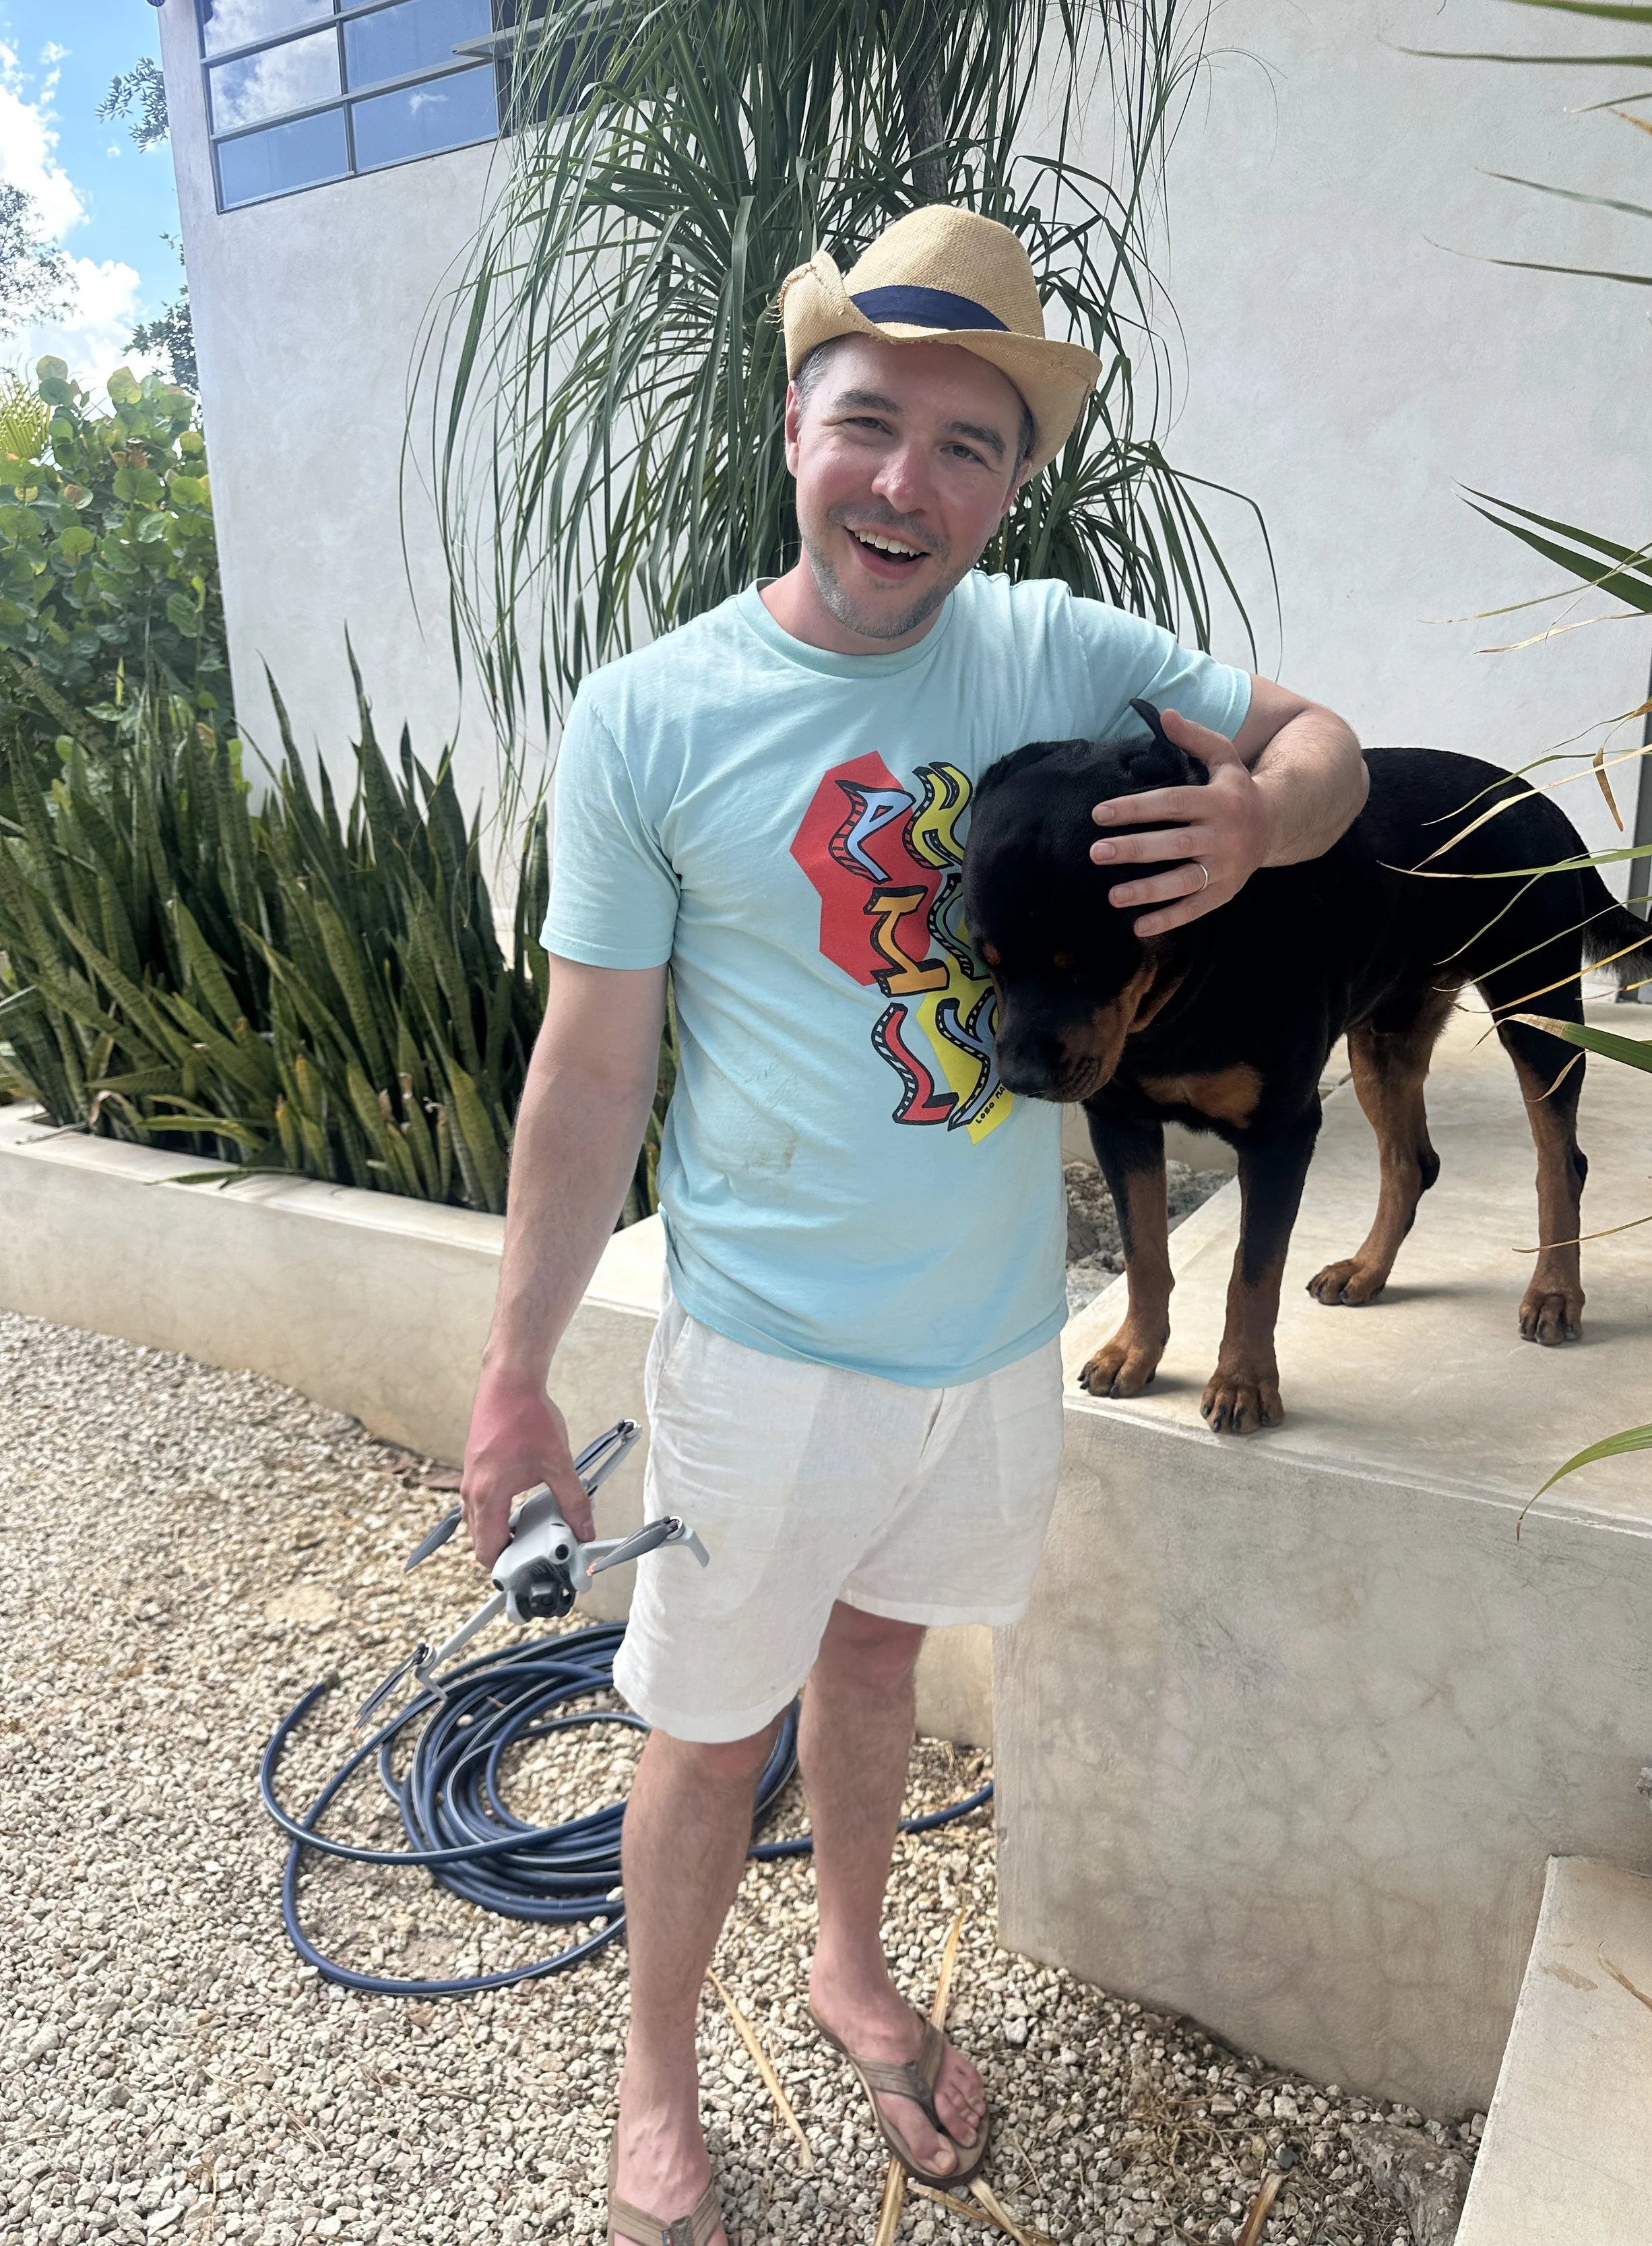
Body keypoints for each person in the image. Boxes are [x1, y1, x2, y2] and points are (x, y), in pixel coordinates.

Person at [457, 206, 1366, 2246]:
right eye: (869, 424)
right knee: (704, 1734)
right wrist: (513, 1380)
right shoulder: (650, 719)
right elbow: (587, 1077)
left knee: (876, 1660)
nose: (906, 484)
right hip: (763, 1355)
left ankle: (851, 1969)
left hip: (988, 1342)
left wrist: (1252, 817)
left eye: (966, 445)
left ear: (1012, 481)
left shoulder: (1050, 644)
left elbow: (1324, 750)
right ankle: (655, 2092)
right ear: (793, 426)